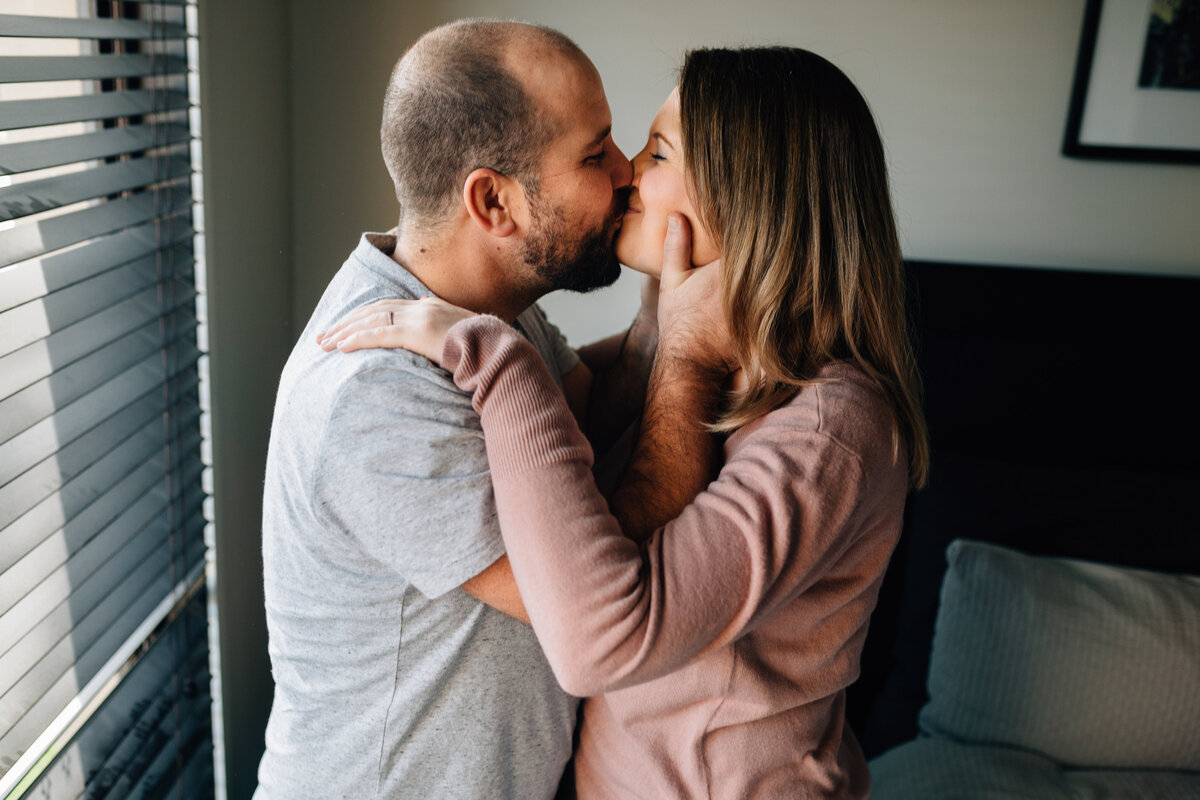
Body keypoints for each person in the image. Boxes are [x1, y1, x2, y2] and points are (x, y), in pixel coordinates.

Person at [321, 46, 931, 799]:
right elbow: (589, 456)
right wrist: (662, 332)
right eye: (611, 149)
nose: (627, 172)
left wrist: (499, 358)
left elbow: (601, 637)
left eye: (657, 151)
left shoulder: (829, 430)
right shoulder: (385, 393)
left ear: (752, 201)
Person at [255, 19, 688, 799]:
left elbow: (596, 419)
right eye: (596, 153)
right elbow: (598, 591)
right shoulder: (378, 393)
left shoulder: (480, 313)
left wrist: (673, 295)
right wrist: (699, 350)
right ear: (494, 201)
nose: (626, 172)